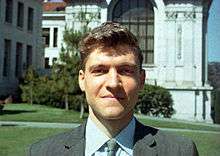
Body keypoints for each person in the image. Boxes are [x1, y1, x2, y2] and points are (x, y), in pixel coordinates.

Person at [29, 22, 198, 156]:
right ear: (82, 79)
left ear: (141, 80)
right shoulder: (41, 152)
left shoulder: (181, 151)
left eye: (125, 70)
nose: (113, 83)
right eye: (99, 70)